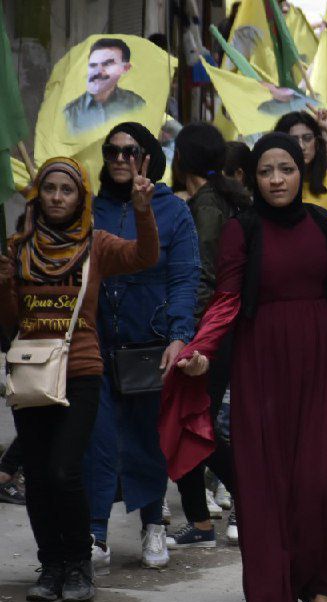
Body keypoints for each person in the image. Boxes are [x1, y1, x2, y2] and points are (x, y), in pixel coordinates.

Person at [170, 133, 327, 602]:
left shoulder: (323, 223)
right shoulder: (241, 229)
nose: (277, 180)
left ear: (300, 172)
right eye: (266, 171)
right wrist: (202, 348)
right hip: (262, 362)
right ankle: (272, 595)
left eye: (286, 169)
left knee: (319, 480)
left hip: (323, 361)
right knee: (265, 482)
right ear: (252, 177)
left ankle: (318, 585)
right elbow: (227, 298)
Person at [2, 157, 157, 602]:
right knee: (38, 476)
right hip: (30, 371)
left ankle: (78, 564)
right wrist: (4, 285)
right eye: (49, 188)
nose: (56, 197)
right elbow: (9, 324)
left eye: (66, 190)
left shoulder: (96, 244)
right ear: (38, 194)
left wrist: (142, 210)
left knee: (64, 470)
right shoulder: (18, 248)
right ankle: (51, 565)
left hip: (81, 370)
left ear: (80, 197)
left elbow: (144, 257)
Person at [86, 123, 199, 573]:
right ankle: (95, 532)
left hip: (149, 341)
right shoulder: (89, 209)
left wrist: (179, 334)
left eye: (130, 151)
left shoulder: (173, 210)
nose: (119, 159)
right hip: (93, 342)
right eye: (111, 151)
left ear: (148, 156)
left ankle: (153, 523)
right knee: (96, 441)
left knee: (148, 441)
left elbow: (185, 277)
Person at [165, 123, 249, 549]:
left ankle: (245, 501)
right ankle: (200, 520)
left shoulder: (208, 206)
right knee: (191, 423)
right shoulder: (215, 200)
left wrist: (188, 331)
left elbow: (203, 274)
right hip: (214, 328)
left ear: (181, 160)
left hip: (208, 331)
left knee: (194, 424)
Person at [63, 38, 147, 137]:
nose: (98, 71)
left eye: (107, 64)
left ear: (125, 68)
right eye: (93, 65)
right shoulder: (70, 114)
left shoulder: (136, 105)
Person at [274, 111, 327, 225]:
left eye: (307, 138)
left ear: (317, 142)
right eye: (293, 140)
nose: (301, 146)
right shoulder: (273, 183)